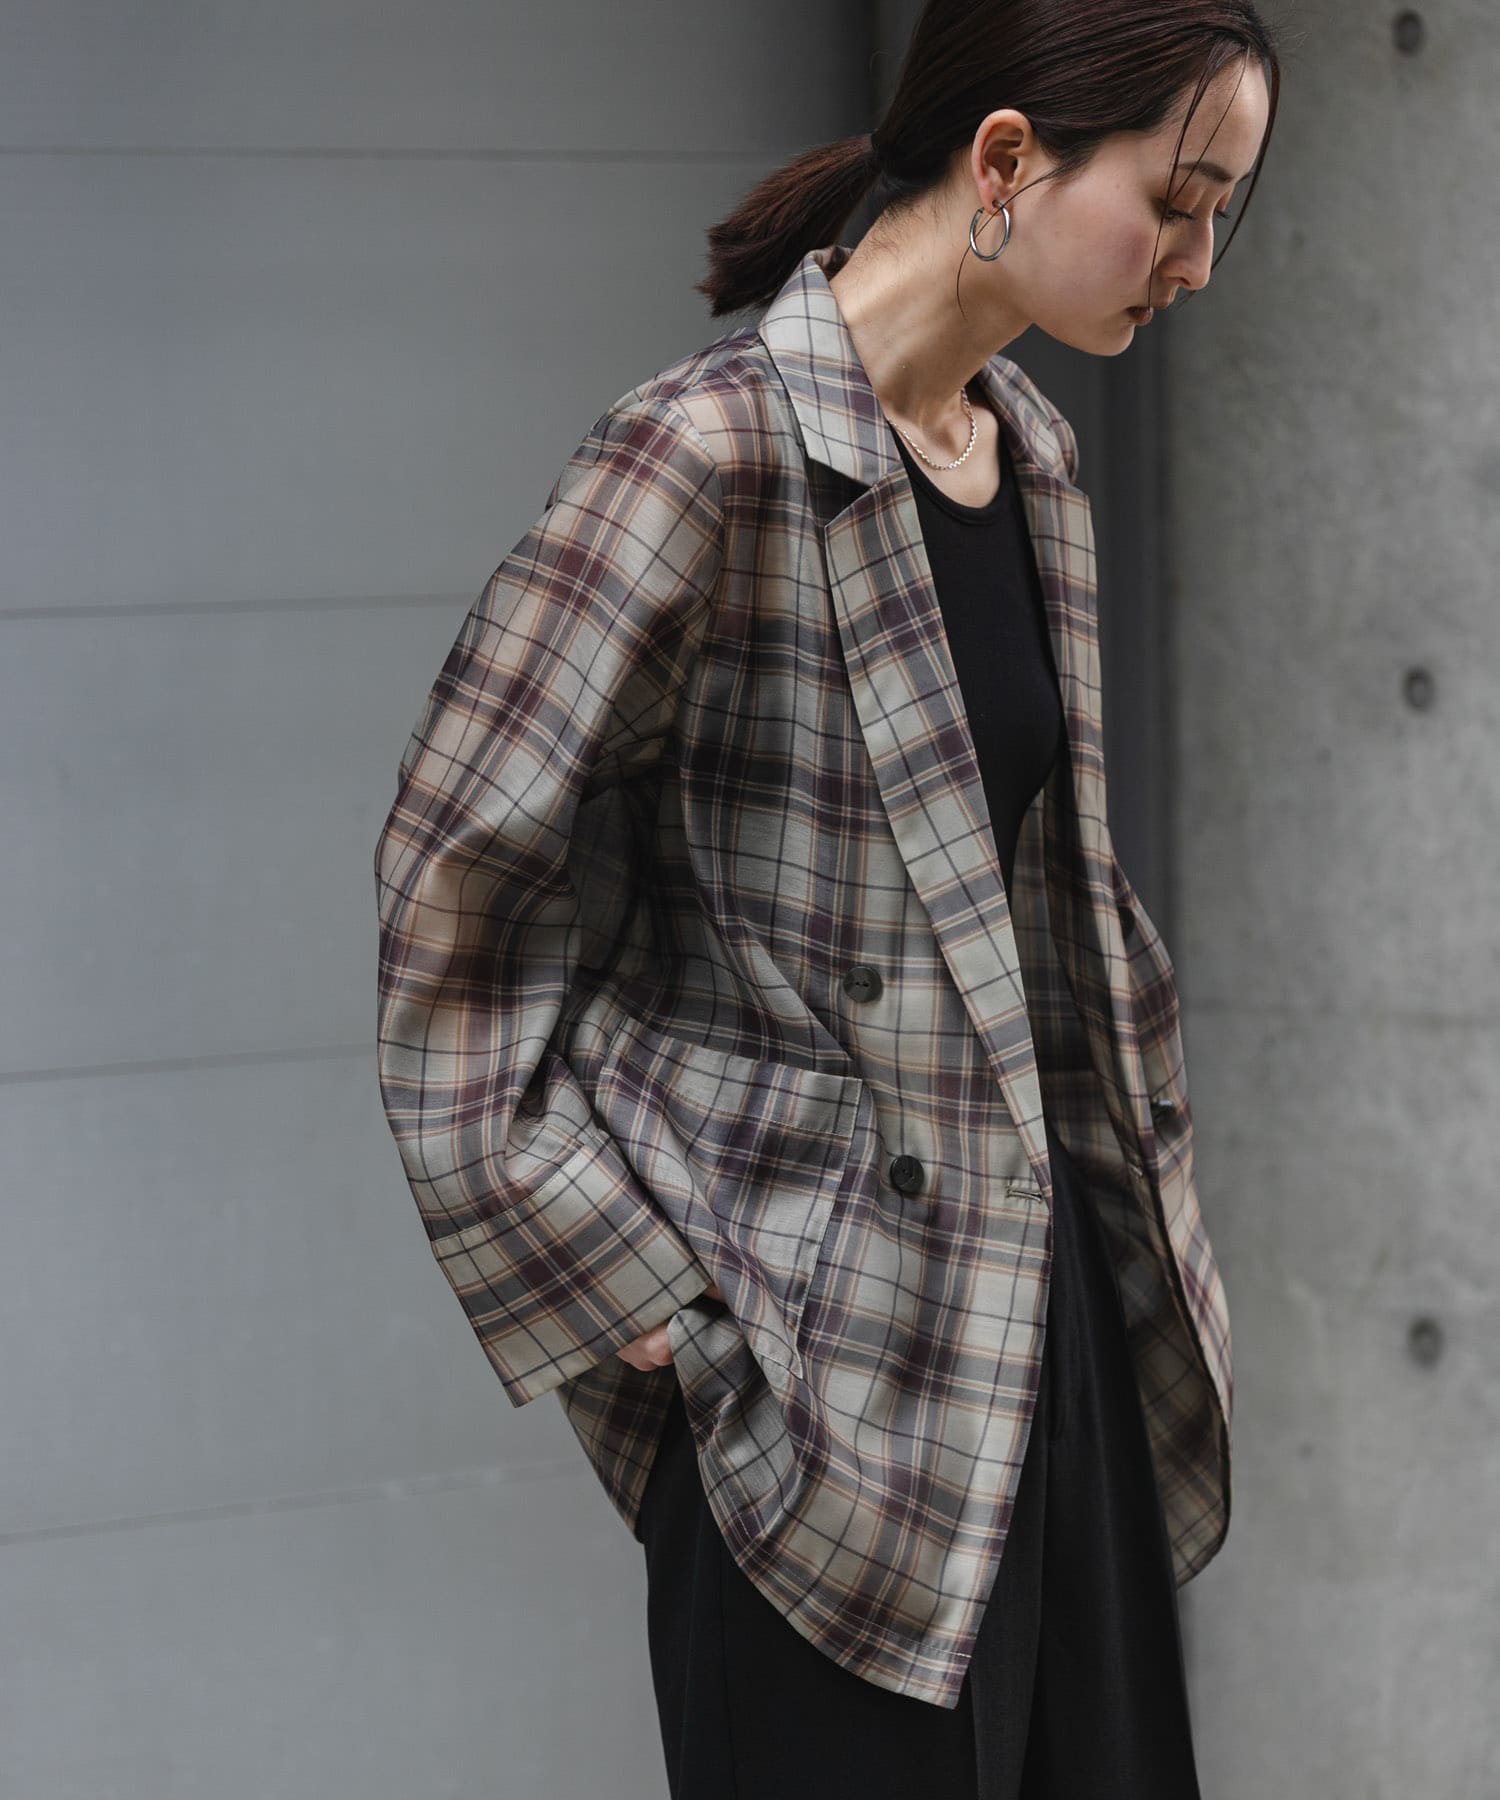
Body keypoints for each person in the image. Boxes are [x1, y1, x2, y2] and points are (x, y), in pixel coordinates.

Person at [372, 2, 1283, 1794]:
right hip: (817, 1395)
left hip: (1048, 1339)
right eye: (1178, 203)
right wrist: (641, 1293)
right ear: (1007, 160)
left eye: (1219, 218)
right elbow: (449, 900)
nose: (1193, 263)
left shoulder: (1031, 459)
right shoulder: (699, 458)